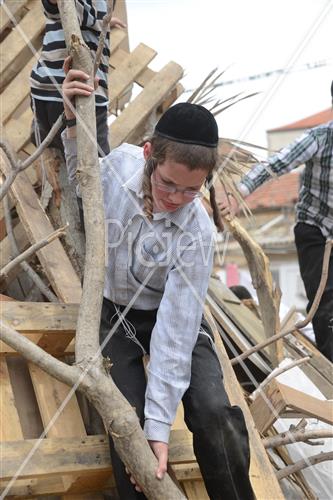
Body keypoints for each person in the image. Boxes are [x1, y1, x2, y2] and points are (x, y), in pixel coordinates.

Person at [61, 66, 254, 500]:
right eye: (168, 183)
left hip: (170, 310)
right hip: (114, 311)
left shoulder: (198, 231)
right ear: (149, 153)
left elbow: (174, 333)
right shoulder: (116, 170)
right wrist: (73, 119)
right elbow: (79, 176)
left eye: (191, 191)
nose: (175, 199)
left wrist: (161, 427)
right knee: (126, 424)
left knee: (212, 411)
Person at [221, 82, 333, 362]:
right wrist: (238, 194)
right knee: (327, 306)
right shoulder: (320, 138)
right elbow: (277, 164)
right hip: (316, 229)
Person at [30, 0, 125, 157]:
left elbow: (84, 17)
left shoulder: (99, 6)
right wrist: (100, 22)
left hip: (43, 88)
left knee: (54, 137)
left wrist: (103, 22)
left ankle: (44, 134)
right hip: (78, 92)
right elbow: (60, 7)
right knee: (95, 161)